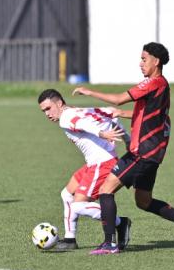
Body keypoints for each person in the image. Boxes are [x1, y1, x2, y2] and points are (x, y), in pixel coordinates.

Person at [73, 42, 174, 255]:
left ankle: (110, 243)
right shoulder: (162, 86)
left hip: (141, 153)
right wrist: (119, 113)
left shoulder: (153, 83)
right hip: (151, 154)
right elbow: (147, 116)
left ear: (156, 61)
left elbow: (119, 98)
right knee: (143, 201)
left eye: (144, 59)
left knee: (105, 190)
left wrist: (88, 91)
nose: (140, 63)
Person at [37, 89, 131, 251]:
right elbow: (109, 113)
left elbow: (85, 124)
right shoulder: (77, 110)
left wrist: (102, 133)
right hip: (94, 163)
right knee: (66, 194)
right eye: (43, 111)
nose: (47, 114)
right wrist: (127, 140)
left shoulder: (65, 118)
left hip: (102, 164)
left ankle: (120, 223)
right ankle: (70, 239)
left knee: (77, 206)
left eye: (48, 108)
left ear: (59, 103)